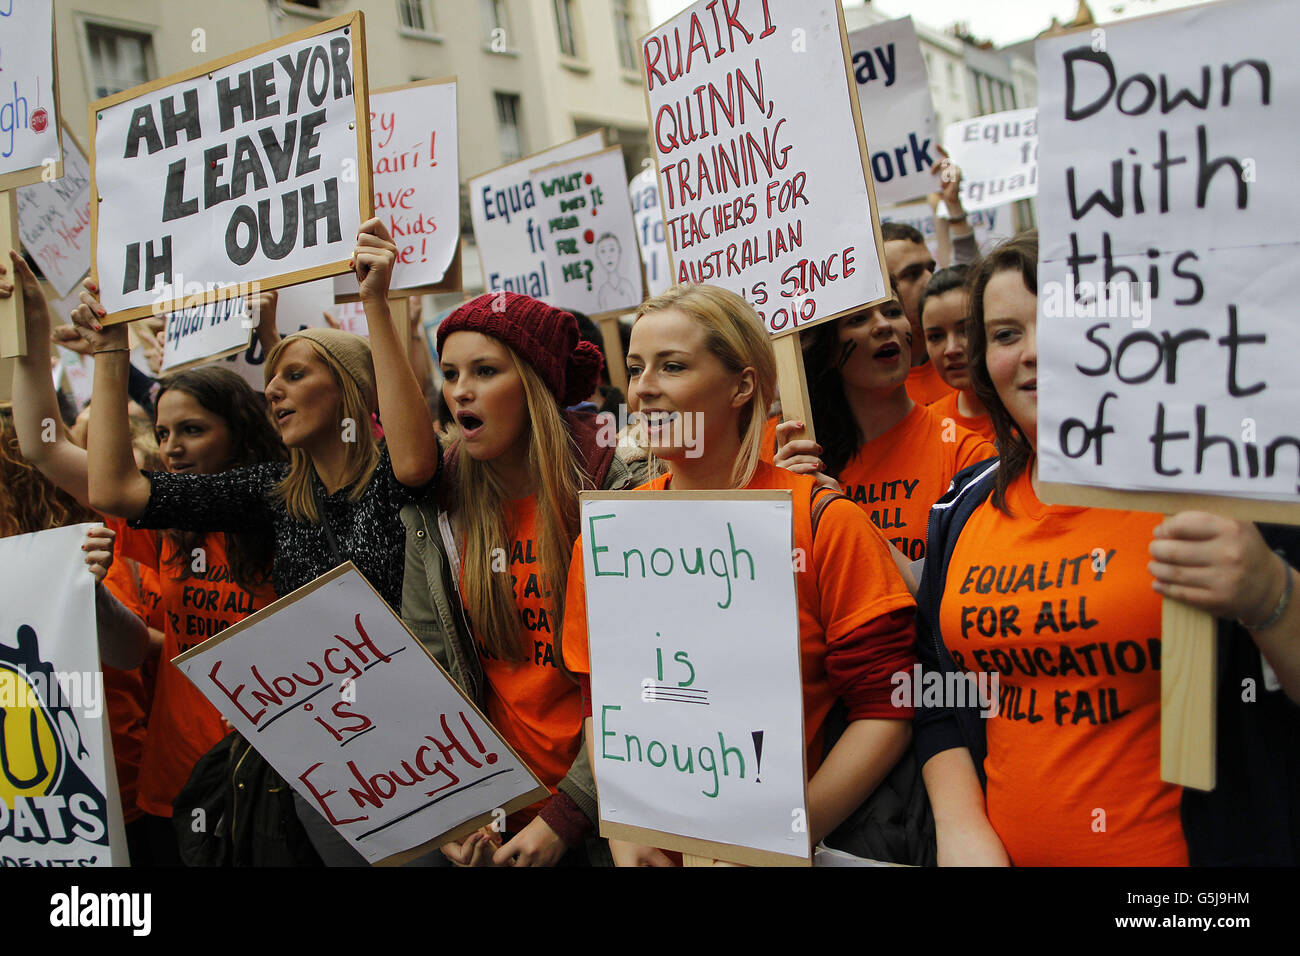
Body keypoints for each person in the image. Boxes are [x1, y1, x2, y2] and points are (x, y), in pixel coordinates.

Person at [910, 230, 1300, 866]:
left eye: (1060, 322)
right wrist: (961, 828)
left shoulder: (1222, 493)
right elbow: (935, 690)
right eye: (1007, 335)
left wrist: (1270, 595)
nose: (1034, 353)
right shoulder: (962, 509)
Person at [71, 218, 439, 864]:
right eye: (272, 377)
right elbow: (116, 492)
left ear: (350, 390)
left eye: (295, 374)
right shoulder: (272, 491)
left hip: (420, 753)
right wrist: (109, 350)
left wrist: (377, 302)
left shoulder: (392, 479)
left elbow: (411, 461)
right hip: (321, 765)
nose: (272, 388)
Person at [560, 283, 919, 865]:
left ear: (743, 385)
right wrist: (626, 834)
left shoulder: (822, 522)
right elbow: (604, 708)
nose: (644, 388)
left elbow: (887, 707)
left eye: (672, 366)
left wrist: (787, 834)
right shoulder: (611, 536)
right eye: (635, 367)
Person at [5, 251, 285, 865]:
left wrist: (271, 336)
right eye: (161, 434)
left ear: (239, 430)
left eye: (192, 430)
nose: (172, 449)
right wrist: (26, 324)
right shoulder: (166, 518)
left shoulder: (284, 508)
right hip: (175, 784)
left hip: (269, 787)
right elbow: (45, 448)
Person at [400, 291, 645, 867]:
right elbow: (430, 671)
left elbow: (640, 674)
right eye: (451, 373)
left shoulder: (618, 488)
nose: (460, 390)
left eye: (485, 371)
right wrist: (453, 805)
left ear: (534, 385)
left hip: (617, 811)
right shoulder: (435, 509)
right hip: (500, 812)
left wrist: (570, 815)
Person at [776, 280, 994, 563]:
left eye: (892, 311)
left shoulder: (968, 455)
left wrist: (843, 513)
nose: (883, 325)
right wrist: (775, 509)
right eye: (858, 318)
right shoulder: (799, 456)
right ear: (827, 350)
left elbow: (948, 594)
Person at [920, 266, 995, 443]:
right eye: (935, 336)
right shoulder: (929, 424)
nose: (951, 349)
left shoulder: (1030, 412)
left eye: (966, 330)